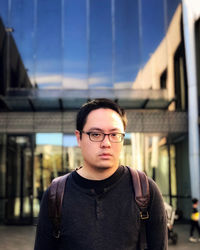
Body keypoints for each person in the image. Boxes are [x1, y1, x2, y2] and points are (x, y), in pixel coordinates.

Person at [34, 98, 168, 250]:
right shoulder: (56, 193)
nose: (106, 143)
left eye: (114, 134)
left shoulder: (145, 190)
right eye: (96, 134)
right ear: (79, 138)